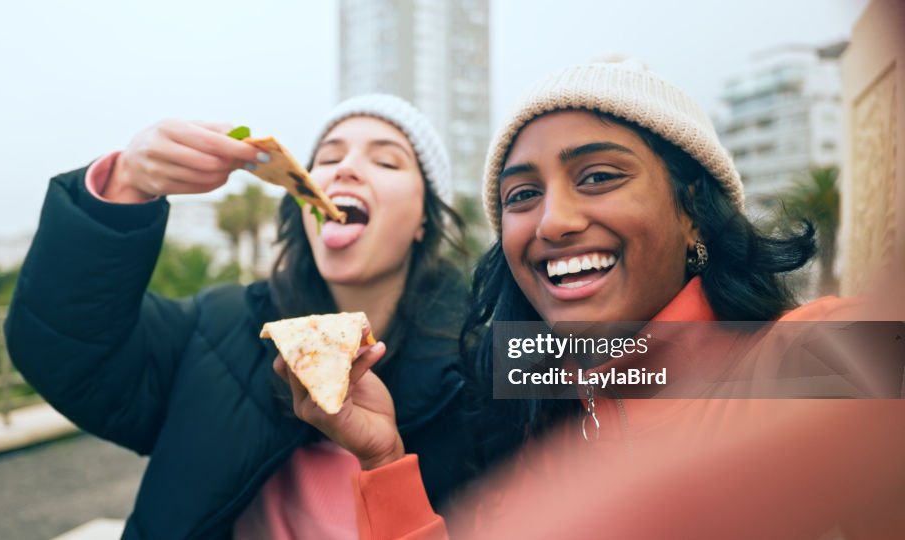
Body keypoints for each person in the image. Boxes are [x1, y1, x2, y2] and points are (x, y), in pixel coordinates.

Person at [283, 59, 905, 539]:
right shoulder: (537, 419)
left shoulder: (803, 360)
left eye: (599, 177)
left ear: (695, 212)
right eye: (521, 195)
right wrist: (382, 454)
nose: (553, 221)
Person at [3, 94, 473, 539]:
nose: (345, 169)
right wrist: (125, 183)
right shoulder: (218, 326)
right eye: (327, 158)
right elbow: (64, 346)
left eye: (386, 161)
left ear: (424, 221)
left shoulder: (489, 363)